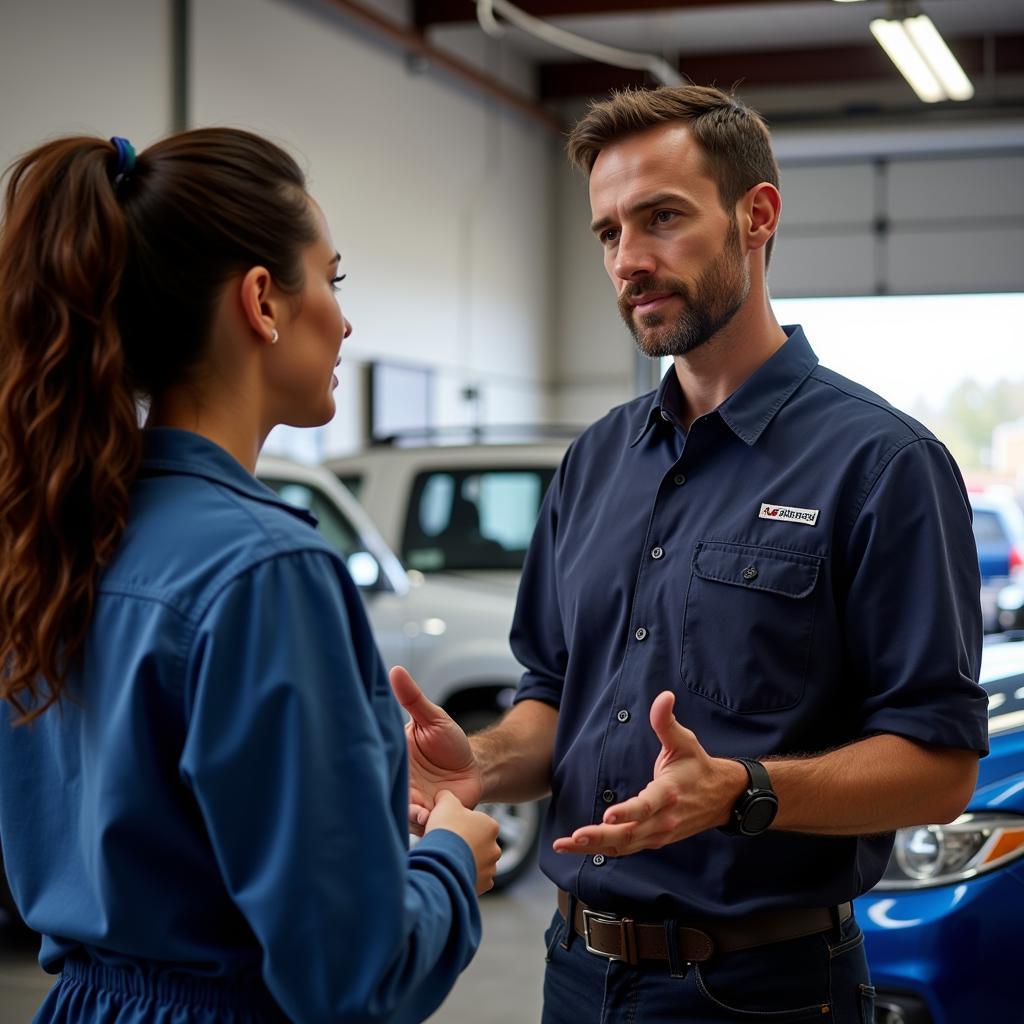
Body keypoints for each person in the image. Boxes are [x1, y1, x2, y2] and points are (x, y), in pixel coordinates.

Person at [390, 85, 989, 1023]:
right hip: (576, 974)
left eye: (661, 218)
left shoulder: (882, 464)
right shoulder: (594, 463)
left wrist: (742, 792)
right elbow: (554, 702)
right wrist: (476, 759)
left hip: (762, 991)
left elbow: (942, 766)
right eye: (607, 232)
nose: (629, 260)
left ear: (757, 215)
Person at [0, 128, 500, 1024]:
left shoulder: (58, 538)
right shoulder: (268, 571)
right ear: (262, 300)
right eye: (333, 280)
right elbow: (353, 977)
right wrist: (451, 859)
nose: (345, 321)